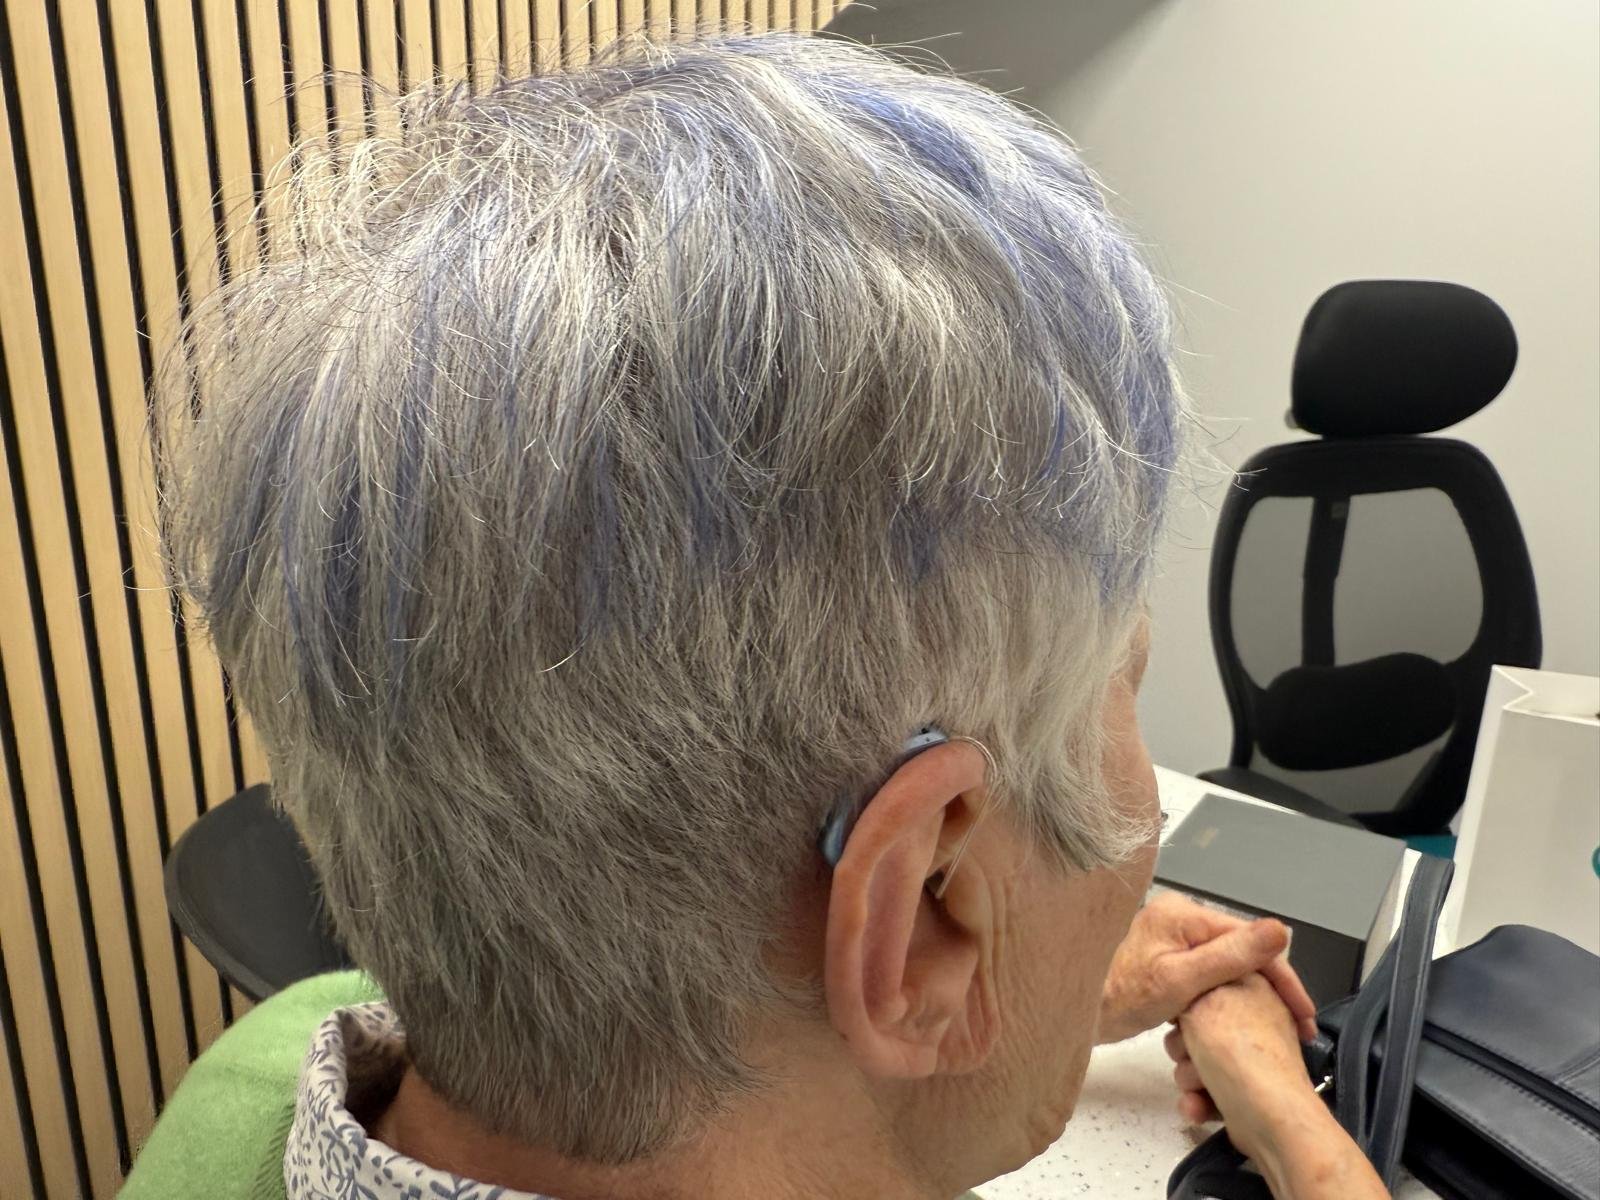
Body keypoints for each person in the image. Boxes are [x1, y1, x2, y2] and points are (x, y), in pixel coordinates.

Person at [135, 33, 1389, 1200]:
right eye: (1128, 687)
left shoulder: (259, 1068)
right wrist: (1301, 1130)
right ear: (926, 902)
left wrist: (1016, 992)